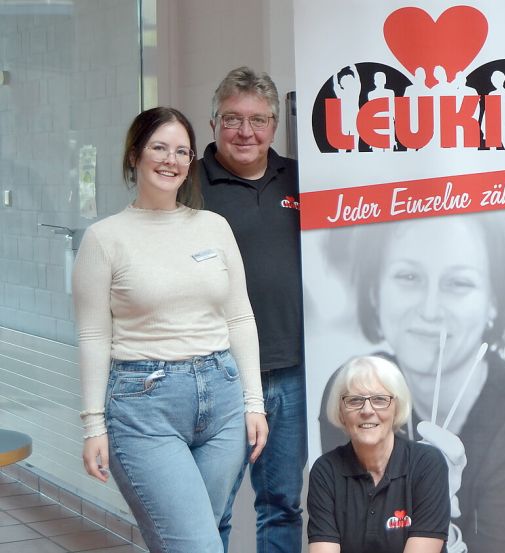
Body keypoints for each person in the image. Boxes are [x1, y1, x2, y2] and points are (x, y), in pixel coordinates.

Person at [318, 214, 505, 553]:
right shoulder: (356, 390)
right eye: (408, 276)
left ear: (493, 301)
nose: (430, 310)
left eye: (458, 283)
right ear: (374, 291)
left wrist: (432, 510)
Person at [72, 107, 268, 553]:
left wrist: (253, 403)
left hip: (222, 401)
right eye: (159, 147)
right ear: (135, 155)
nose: (170, 160)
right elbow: (93, 337)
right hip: (144, 408)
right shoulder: (105, 239)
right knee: (196, 545)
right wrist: (92, 426)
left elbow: (239, 317)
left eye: (182, 151)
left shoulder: (213, 227)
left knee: (206, 532)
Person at [199, 66, 306, 553]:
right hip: (216, 372)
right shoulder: (189, 184)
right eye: (233, 119)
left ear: (274, 126)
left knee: (282, 504)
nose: (246, 132)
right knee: (209, 506)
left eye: (259, 120)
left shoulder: (302, 178)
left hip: (290, 371)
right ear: (213, 122)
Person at [308, 355, 450, 553]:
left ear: (397, 408)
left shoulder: (427, 464)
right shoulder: (326, 471)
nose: (367, 410)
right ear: (340, 412)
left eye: (379, 399)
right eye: (355, 400)